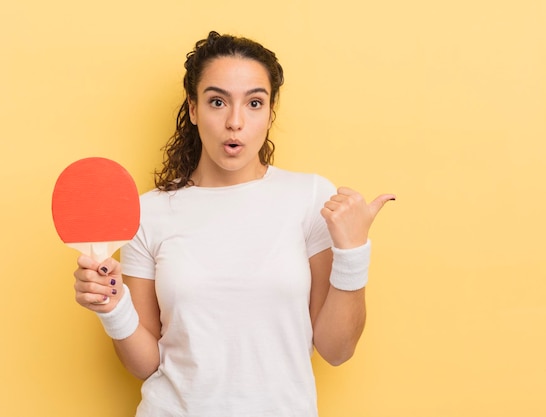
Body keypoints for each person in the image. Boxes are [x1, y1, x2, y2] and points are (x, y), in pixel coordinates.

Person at [73, 31, 395, 417]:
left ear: (270, 112)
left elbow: (337, 350)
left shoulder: (309, 198)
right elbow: (144, 365)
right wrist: (113, 307)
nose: (235, 122)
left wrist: (353, 254)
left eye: (254, 103)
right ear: (193, 109)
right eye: (217, 101)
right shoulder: (149, 213)